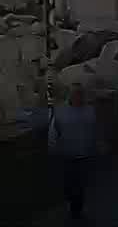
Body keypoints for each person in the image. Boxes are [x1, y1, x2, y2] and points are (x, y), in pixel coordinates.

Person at [49, 83, 105, 221]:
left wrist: (98, 144)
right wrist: (53, 148)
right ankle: (73, 206)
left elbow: (95, 129)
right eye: (77, 94)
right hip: (67, 154)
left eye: (81, 94)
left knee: (80, 183)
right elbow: (53, 133)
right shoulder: (60, 112)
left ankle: (77, 210)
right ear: (71, 95)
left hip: (83, 153)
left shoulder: (89, 110)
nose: (79, 97)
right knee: (69, 183)